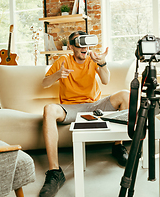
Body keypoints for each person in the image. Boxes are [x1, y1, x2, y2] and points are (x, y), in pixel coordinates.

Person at [39, 31, 130, 197]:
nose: (84, 48)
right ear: (72, 46)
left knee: (125, 94)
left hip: (95, 105)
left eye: (87, 44)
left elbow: (105, 80)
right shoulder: (63, 61)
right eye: (79, 44)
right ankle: (55, 172)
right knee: (49, 109)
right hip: (71, 108)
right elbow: (44, 83)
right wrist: (57, 75)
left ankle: (118, 146)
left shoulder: (92, 59)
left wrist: (102, 63)